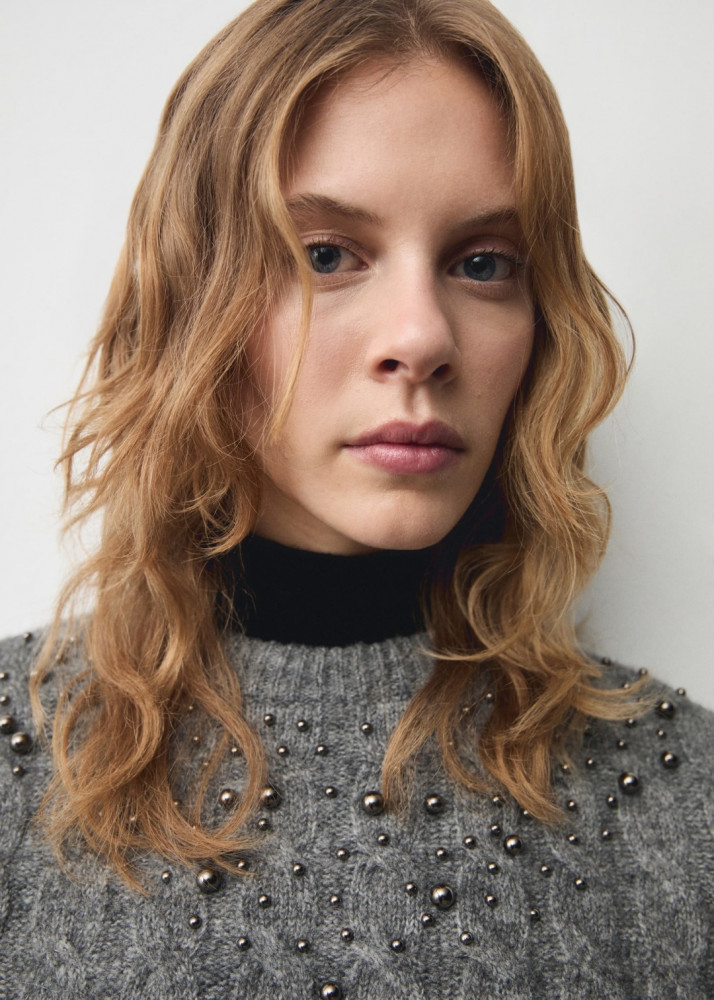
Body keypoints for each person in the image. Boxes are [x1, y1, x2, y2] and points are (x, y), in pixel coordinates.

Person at [0, 1, 711, 997]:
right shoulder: (19, 766)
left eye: (483, 263)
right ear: (194, 292)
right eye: (326, 255)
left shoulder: (681, 798)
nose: (421, 337)